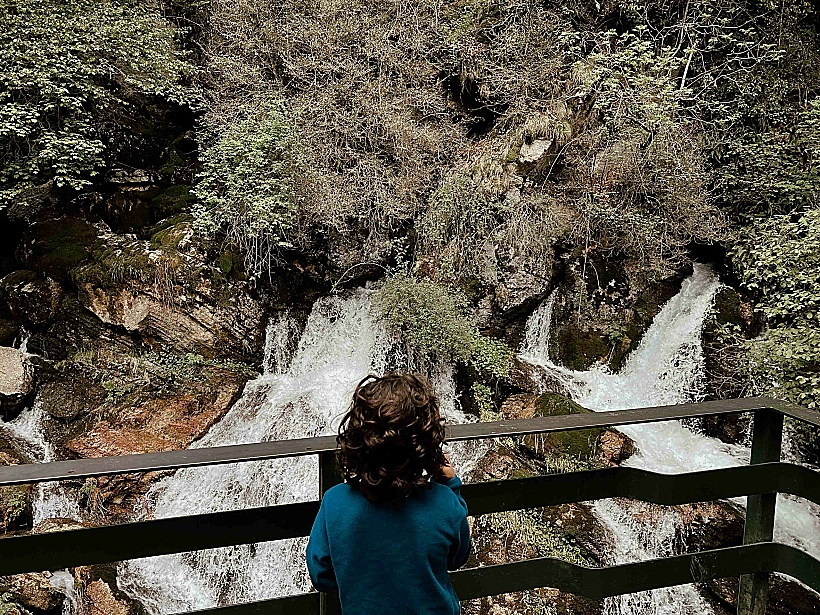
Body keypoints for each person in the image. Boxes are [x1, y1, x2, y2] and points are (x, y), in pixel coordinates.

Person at [306, 372, 472, 614]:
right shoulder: (444, 502)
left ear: (357, 440)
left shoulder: (335, 501)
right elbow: (458, 557)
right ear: (426, 444)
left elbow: (321, 576)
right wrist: (450, 485)